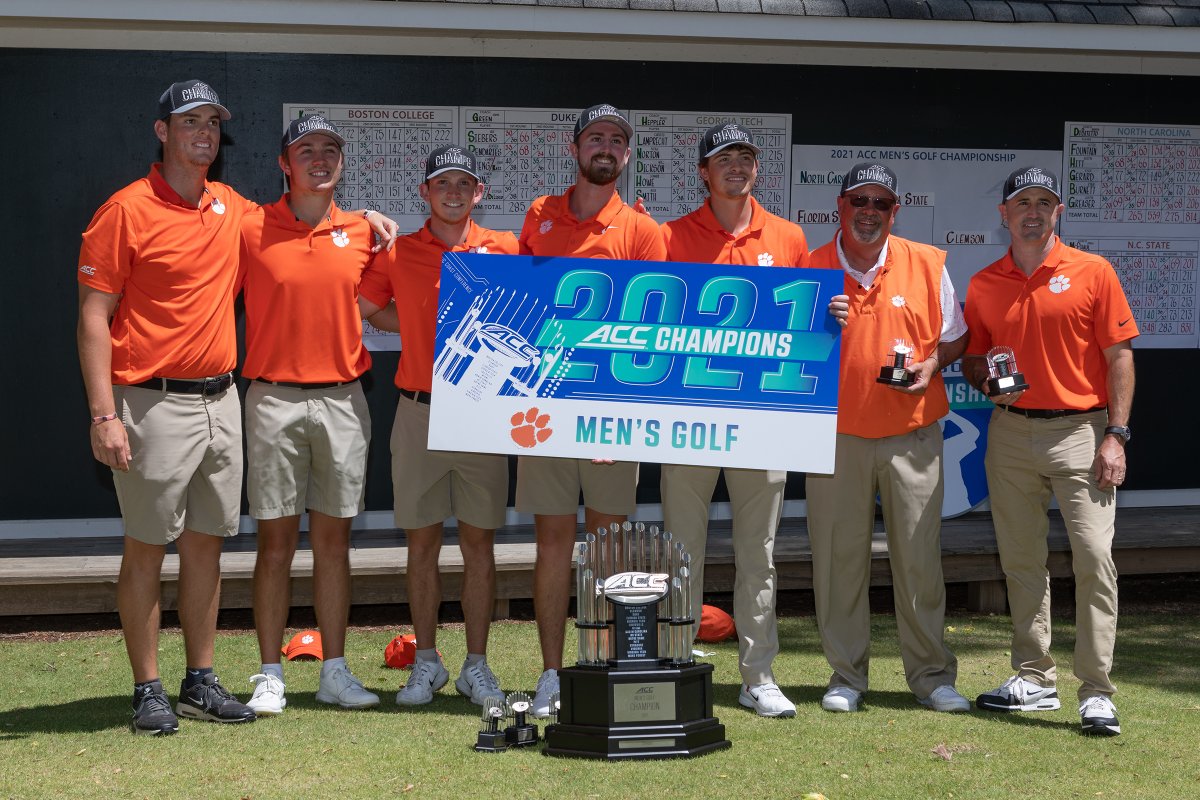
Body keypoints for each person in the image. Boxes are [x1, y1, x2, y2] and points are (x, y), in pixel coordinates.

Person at [77, 80, 258, 735]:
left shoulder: (231, 206)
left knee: (207, 547)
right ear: (163, 132)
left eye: (212, 122)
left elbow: (297, 233)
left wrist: (370, 222)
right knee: (147, 549)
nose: (203, 133)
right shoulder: (123, 211)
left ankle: (200, 681)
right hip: (149, 404)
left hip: (221, 400)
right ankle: (147, 687)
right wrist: (104, 415)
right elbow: (93, 318)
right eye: (190, 122)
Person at [964, 166, 1136, 737]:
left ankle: (1096, 692)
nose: (1032, 211)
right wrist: (985, 377)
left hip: (1082, 432)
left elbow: (1120, 359)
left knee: (1093, 559)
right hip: (1010, 431)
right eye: (1022, 202)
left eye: (1044, 202)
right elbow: (973, 357)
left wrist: (1117, 434)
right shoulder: (986, 281)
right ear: (1004, 215)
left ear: (1057, 212)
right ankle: (1034, 678)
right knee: (1020, 561)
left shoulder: (1093, 271)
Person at [517, 104, 666, 717]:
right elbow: (516, 301)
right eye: (595, 137)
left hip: (610, 413)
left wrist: (620, 414)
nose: (605, 147)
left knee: (609, 548)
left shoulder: (642, 230)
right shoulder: (539, 215)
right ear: (575, 149)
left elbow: (649, 333)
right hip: (547, 407)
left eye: (617, 140)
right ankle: (553, 674)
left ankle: (601, 664)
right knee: (551, 544)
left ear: (627, 156)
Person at [808, 162, 971, 714]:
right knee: (838, 560)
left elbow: (956, 338)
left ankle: (931, 677)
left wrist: (931, 362)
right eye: (860, 200)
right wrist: (812, 320)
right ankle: (845, 676)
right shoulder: (808, 267)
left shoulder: (926, 263)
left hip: (912, 433)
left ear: (895, 211)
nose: (869, 211)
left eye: (881, 203)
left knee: (919, 559)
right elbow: (779, 348)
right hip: (834, 437)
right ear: (841, 205)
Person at [359, 145, 517, 707]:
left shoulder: (506, 247)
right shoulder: (400, 252)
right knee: (421, 543)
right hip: (418, 407)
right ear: (423, 192)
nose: (452, 192)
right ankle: (426, 661)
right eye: (441, 183)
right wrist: (420, 325)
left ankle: (476, 664)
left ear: (480, 193)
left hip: (481, 413)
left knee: (479, 543)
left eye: (464, 184)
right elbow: (367, 304)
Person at [659, 122, 809, 718]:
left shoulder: (790, 237)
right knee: (680, 551)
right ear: (703, 171)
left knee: (759, 551)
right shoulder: (670, 236)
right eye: (724, 158)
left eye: (746, 157)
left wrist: (831, 313)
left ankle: (757, 675)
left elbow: (805, 323)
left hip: (762, 418)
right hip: (688, 415)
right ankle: (673, 665)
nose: (737, 166)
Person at [239, 115, 383, 716]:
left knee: (333, 544)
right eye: (306, 150)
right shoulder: (248, 227)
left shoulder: (365, 231)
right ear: (284, 163)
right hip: (271, 397)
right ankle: (270, 673)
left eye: (331, 150)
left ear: (341, 162)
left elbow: (386, 302)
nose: (319, 159)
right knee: (274, 544)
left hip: (344, 399)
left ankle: (334, 671)